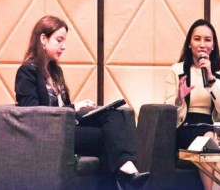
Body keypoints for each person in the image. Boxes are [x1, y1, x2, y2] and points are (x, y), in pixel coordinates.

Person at [15, 15, 149, 188]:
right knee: (106, 139)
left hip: (69, 126)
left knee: (113, 114)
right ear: (43, 38)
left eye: (64, 41)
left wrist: (79, 109)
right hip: (50, 134)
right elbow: (31, 114)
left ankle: (126, 170)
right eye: (59, 40)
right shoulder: (27, 72)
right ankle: (125, 174)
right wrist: (74, 107)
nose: (64, 46)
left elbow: (63, 107)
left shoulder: (55, 72)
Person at [164, 19, 220, 190]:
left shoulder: (219, 74)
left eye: (207, 40)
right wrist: (179, 98)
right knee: (209, 140)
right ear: (189, 44)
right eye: (197, 39)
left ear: (213, 45)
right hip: (185, 126)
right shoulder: (177, 70)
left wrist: (210, 76)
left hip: (211, 127)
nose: (202, 45)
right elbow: (167, 112)